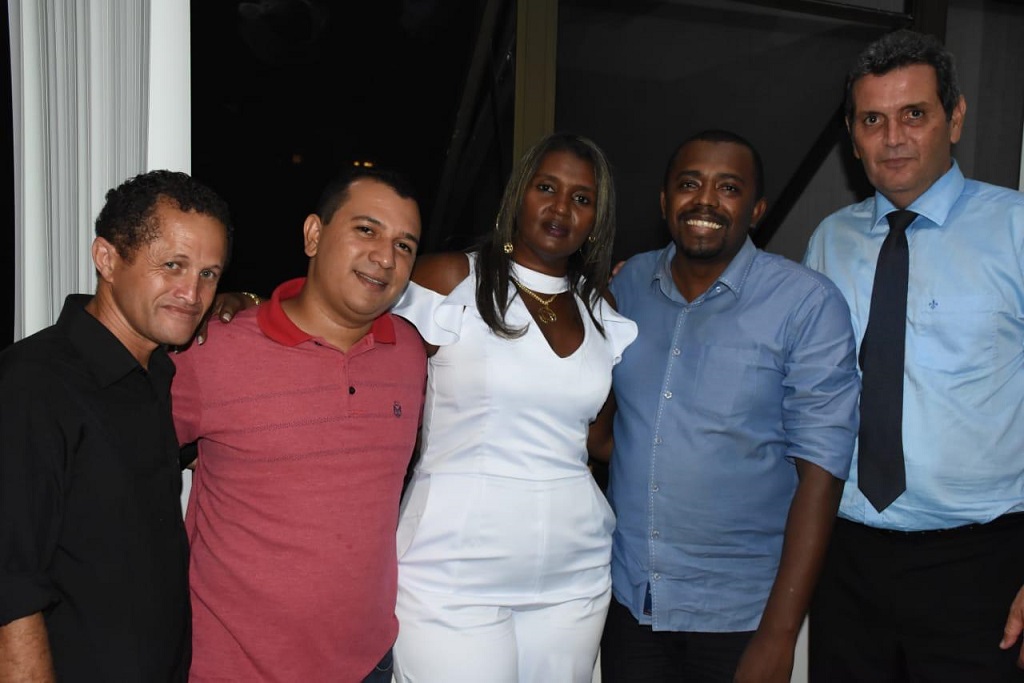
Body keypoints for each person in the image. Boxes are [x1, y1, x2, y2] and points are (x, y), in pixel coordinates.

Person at [593, 130, 860, 683]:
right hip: (631, 604)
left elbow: (822, 474)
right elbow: (604, 420)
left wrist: (779, 635)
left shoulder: (806, 304)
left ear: (757, 210)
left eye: (729, 188)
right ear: (664, 201)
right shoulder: (627, 286)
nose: (706, 201)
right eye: (689, 184)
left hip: (741, 618)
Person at [802, 28, 1024, 681]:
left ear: (954, 118)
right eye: (872, 120)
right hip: (845, 561)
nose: (893, 137)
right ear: (853, 136)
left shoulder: (1016, 230)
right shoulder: (828, 242)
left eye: (914, 114)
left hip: (983, 566)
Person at [388, 132, 637, 682]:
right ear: (518, 193)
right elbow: (345, 318)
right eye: (546, 188)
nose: (561, 208)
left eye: (581, 198)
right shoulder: (449, 279)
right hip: (451, 573)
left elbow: (599, 439)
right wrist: (252, 304)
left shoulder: (600, 308)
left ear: (596, 218)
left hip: (574, 576)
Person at [170, 166, 425, 683]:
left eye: (404, 246)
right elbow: (117, 462)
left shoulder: (411, 354)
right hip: (234, 670)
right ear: (313, 234)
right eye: (367, 230)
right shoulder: (213, 351)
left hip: (367, 664)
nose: (385, 257)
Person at [0, 170, 232, 681]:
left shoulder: (158, 374)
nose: (192, 293)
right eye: (173, 265)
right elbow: (11, 584)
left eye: (209, 274)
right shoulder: (33, 382)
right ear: (107, 259)